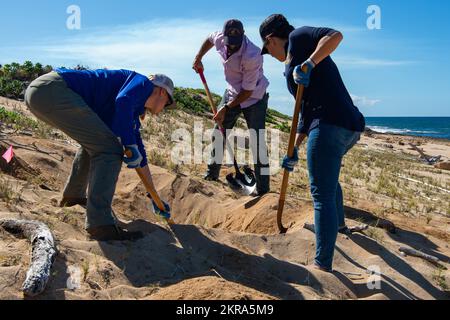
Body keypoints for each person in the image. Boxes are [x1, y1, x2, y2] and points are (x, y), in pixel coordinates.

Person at [259, 14, 366, 272]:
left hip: (329, 124)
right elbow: (305, 111)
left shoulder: (298, 38)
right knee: (329, 181)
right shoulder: (292, 60)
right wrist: (294, 146)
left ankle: (322, 265)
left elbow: (335, 35)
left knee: (321, 194)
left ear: (272, 39)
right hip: (347, 125)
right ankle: (339, 226)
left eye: (267, 47)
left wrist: (309, 63)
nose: (268, 53)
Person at [25, 69, 175, 241]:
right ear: (162, 92)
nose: (164, 109)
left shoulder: (130, 110)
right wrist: (128, 143)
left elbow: (139, 152)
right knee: (110, 150)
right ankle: (101, 224)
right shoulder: (143, 84)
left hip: (41, 93)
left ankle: (73, 197)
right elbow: (124, 100)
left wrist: (154, 196)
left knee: (98, 144)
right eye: (167, 104)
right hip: (54, 91)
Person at [193, 19, 271, 196]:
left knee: (257, 141)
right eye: (230, 43)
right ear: (225, 36)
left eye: (236, 44)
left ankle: (263, 188)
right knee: (218, 132)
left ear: (243, 37)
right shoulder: (220, 38)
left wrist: (227, 108)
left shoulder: (252, 55)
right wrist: (199, 57)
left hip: (254, 96)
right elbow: (209, 39)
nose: (232, 47)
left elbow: (247, 91)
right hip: (232, 91)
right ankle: (212, 174)